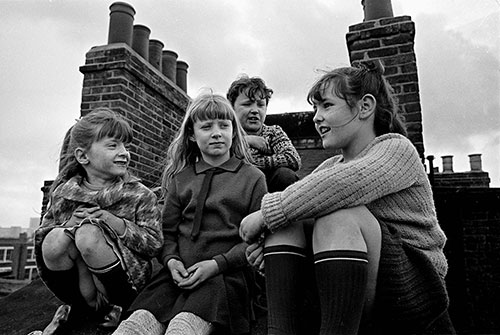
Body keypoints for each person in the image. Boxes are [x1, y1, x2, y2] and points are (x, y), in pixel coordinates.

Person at [240, 60, 454, 335]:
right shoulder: (329, 167)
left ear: (365, 107)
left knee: (335, 216)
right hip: (355, 286)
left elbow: (342, 185)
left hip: (415, 288)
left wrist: (267, 212)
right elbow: (304, 204)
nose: (316, 117)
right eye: (315, 108)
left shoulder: (396, 150)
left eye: (327, 106)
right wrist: (271, 247)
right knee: (289, 222)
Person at [113, 93, 268, 335]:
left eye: (224, 126)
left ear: (234, 132)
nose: (217, 133)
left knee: (182, 328)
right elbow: (168, 234)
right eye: (206, 127)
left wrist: (217, 265)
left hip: (223, 277)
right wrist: (171, 261)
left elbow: (254, 241)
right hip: (176, 276)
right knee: (134, 327)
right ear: (192, 135)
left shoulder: (253, 178)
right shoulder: (181, 179)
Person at [32, 108, 163, 333]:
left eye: (125, 146)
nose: (124, 152)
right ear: (84, 156)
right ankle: (81, 306)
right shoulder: (65, 193)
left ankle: (120, 306)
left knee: (89, 234)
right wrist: (68, 224)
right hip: (82, 282)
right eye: (113, 145)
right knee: (54, 239)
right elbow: (42, 238)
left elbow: (154, 243)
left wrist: (116, 224)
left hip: (126, 280)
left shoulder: (138, 194)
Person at [227, 75, 301, 193]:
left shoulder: (273, 132)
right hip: (236, 192)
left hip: (268, 192)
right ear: (231, 107)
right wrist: (245, 141)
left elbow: (292, 159)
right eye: (247, 104)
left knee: (285, 175)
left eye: (261, 105)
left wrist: (251, 163)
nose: (255, 110)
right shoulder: (226, 135)